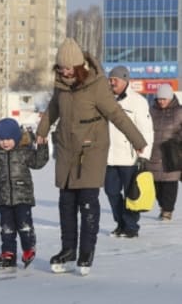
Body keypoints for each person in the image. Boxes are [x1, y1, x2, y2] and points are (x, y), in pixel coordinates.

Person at [36, 38, 147, 275]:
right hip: (66, 150)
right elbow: (53, 109)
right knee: (66, 204)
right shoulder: (61, 86)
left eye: (68, 68)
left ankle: (86, 252)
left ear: (79, 66)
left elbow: (117, 114)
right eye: (61, 68)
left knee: (87, 202)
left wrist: (137, 140)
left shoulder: (97, 86)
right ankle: (68, 250)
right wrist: (42, 131)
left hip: (91, 151)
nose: (64, 72)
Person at [0, 118, 49, 269]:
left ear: (17, 138)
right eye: (2, 139)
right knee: (7, 228)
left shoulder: (24, 153)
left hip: (23, 197)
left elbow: (39, 162)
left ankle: (28, 248)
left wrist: (43, 146)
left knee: (24, 226)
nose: (5, 142)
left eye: (9, 139)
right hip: (4, 198)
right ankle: (8, 253)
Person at [105, 65, 154, 238]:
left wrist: (144, 156)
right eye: (110, 80)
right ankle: (120, 223)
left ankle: (131, 227)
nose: (111, 83)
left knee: (131, 194)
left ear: (125, 80)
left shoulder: (138, 102)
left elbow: (146, 130)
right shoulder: (106, 99)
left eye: (115, 80)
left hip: (130, 158)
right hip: (109, 157)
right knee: (111, 192)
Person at [146, 84, 182, 221]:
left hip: (172, 153)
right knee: (156, 185)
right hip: (154, 153)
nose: (161, 101)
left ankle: (167, 210)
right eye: (159, 99)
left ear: (170, 98)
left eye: (164, 99)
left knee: (170, 184)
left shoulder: (179, 111)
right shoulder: (151, 110)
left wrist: (176, 141)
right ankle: (162, 205)